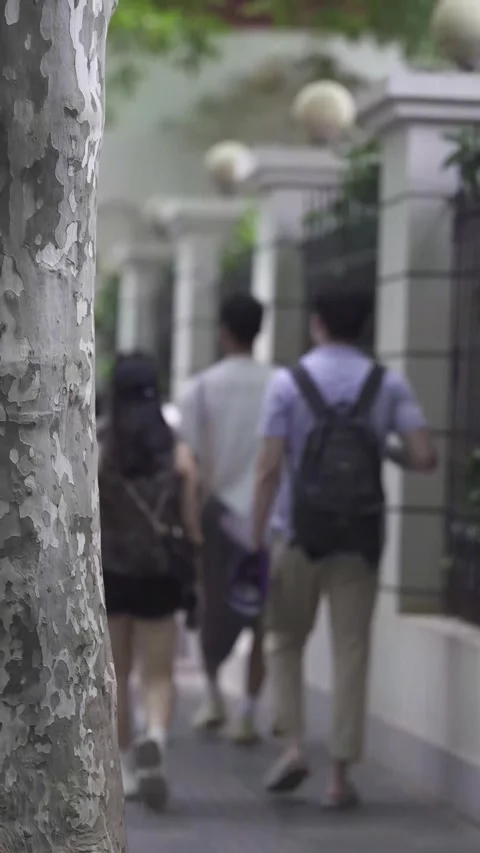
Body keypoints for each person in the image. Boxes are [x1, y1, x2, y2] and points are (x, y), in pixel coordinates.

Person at [251, 288, 437, 806]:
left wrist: (257, 534)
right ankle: (338, 779)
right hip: (359, 537)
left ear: (316, 325)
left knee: (284, 640)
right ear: (365, 327)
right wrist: (383, 448)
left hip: (298, 532)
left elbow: (268, 467)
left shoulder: (288, 382)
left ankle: (292, 745)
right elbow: (425, 456)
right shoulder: (387, 384)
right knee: (351, 650)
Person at [99, 353, 202, 809]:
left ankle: (123, 767)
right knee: (159, 674)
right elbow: (192, 522)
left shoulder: (98, 446)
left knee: (116, 676)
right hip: (159, 574)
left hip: (110, 574)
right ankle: (156, 738)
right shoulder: (175, 451)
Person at [180, 292, 274, 744]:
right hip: (266, 514)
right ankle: (248, 712)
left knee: (213, 607)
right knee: (261, 618)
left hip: (217, 515)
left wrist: (191, 522)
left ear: (223, 331)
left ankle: (214, 695)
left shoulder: (200, 387)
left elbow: (192, 463)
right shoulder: (280, 383)